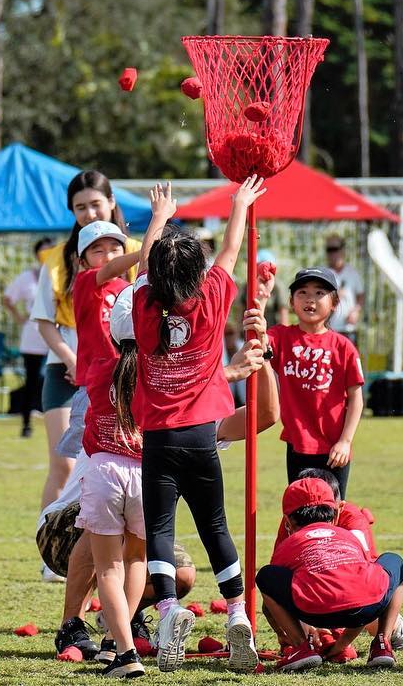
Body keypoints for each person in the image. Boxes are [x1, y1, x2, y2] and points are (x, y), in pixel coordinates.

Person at [43, 303, 279, 663]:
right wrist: (226, 371)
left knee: (167, 567)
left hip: (123, 493)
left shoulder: (129, 380)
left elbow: (263, 416)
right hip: (64, 529)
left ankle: (123, 629)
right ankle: (74, 625)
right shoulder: (163, 390)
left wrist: (261, 355)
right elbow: (162, 375)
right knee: (127, 544)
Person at [131, 176, 266, 672]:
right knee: (215, 526)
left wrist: (159, 219)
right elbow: (230, 251)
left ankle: (168, 611)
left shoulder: (146, 307)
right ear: (196, 272)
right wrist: (240, 204)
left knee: (161, 529)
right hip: (202, 435)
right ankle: (236, 613)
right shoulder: (211, 298)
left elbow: (145, 265)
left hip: (159, 439)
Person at [31, 171, 141, 581]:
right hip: (68, 370)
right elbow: (44, 322)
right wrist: (72, 357)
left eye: (95, 203)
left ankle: (104, 553)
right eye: (80, 207)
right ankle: (52, 554)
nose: (88, 211)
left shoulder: (131, 255)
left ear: (112, 202)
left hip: (120, 377)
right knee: (65, 464)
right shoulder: (64, 262)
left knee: (114, 467)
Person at [71, 205, 160, 677]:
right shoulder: (89, 284)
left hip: (124, 396)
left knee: (124, 553)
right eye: (97, 249)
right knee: (122, 547)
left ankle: (116, 639)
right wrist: (149, 235)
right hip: (103, 393)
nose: (107, 255)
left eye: (114, 245)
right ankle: (103, 630)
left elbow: (144, 274)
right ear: (84, 259)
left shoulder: (129, 293)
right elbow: (128, 268)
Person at [257, 477, 403, 671]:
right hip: (367, 609)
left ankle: (302, 647)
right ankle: (382, 644)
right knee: (394, 560)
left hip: (314, 613)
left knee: (266, 576)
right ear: (335, 513)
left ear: (287, 521)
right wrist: (342, 644)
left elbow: (281, 592)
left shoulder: (289, 545)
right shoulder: (349, 536)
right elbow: (359, 591)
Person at [267, 267, 366, 497]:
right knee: (301, 509)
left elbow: (356, 399)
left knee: (333, 512)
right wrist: (262, 298)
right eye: (302, 292)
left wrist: (345, 441)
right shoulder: (281, 337)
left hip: (334, 450)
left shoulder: (344, 347)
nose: (310, 299)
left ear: (334, 303)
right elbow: (258, 341)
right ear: (291, 301)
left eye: (320, 292)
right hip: (297, 446)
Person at [4, 237, 54, 438]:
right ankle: (26, 424)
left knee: (57, 380)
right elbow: (8, 298)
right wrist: (18, 316)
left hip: (59, 337)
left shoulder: (63, 273)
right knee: (32, 381)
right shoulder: (28, 277)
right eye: (43, 251)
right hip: (33, 338)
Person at [323, 236, 364, 340]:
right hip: (328, 328)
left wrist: (356, 311)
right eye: (329, 250)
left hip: (349, 329)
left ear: (342, 250)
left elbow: (361, 295)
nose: (332, 253)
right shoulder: (323, 274)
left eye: (335, 249)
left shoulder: (352, 273)